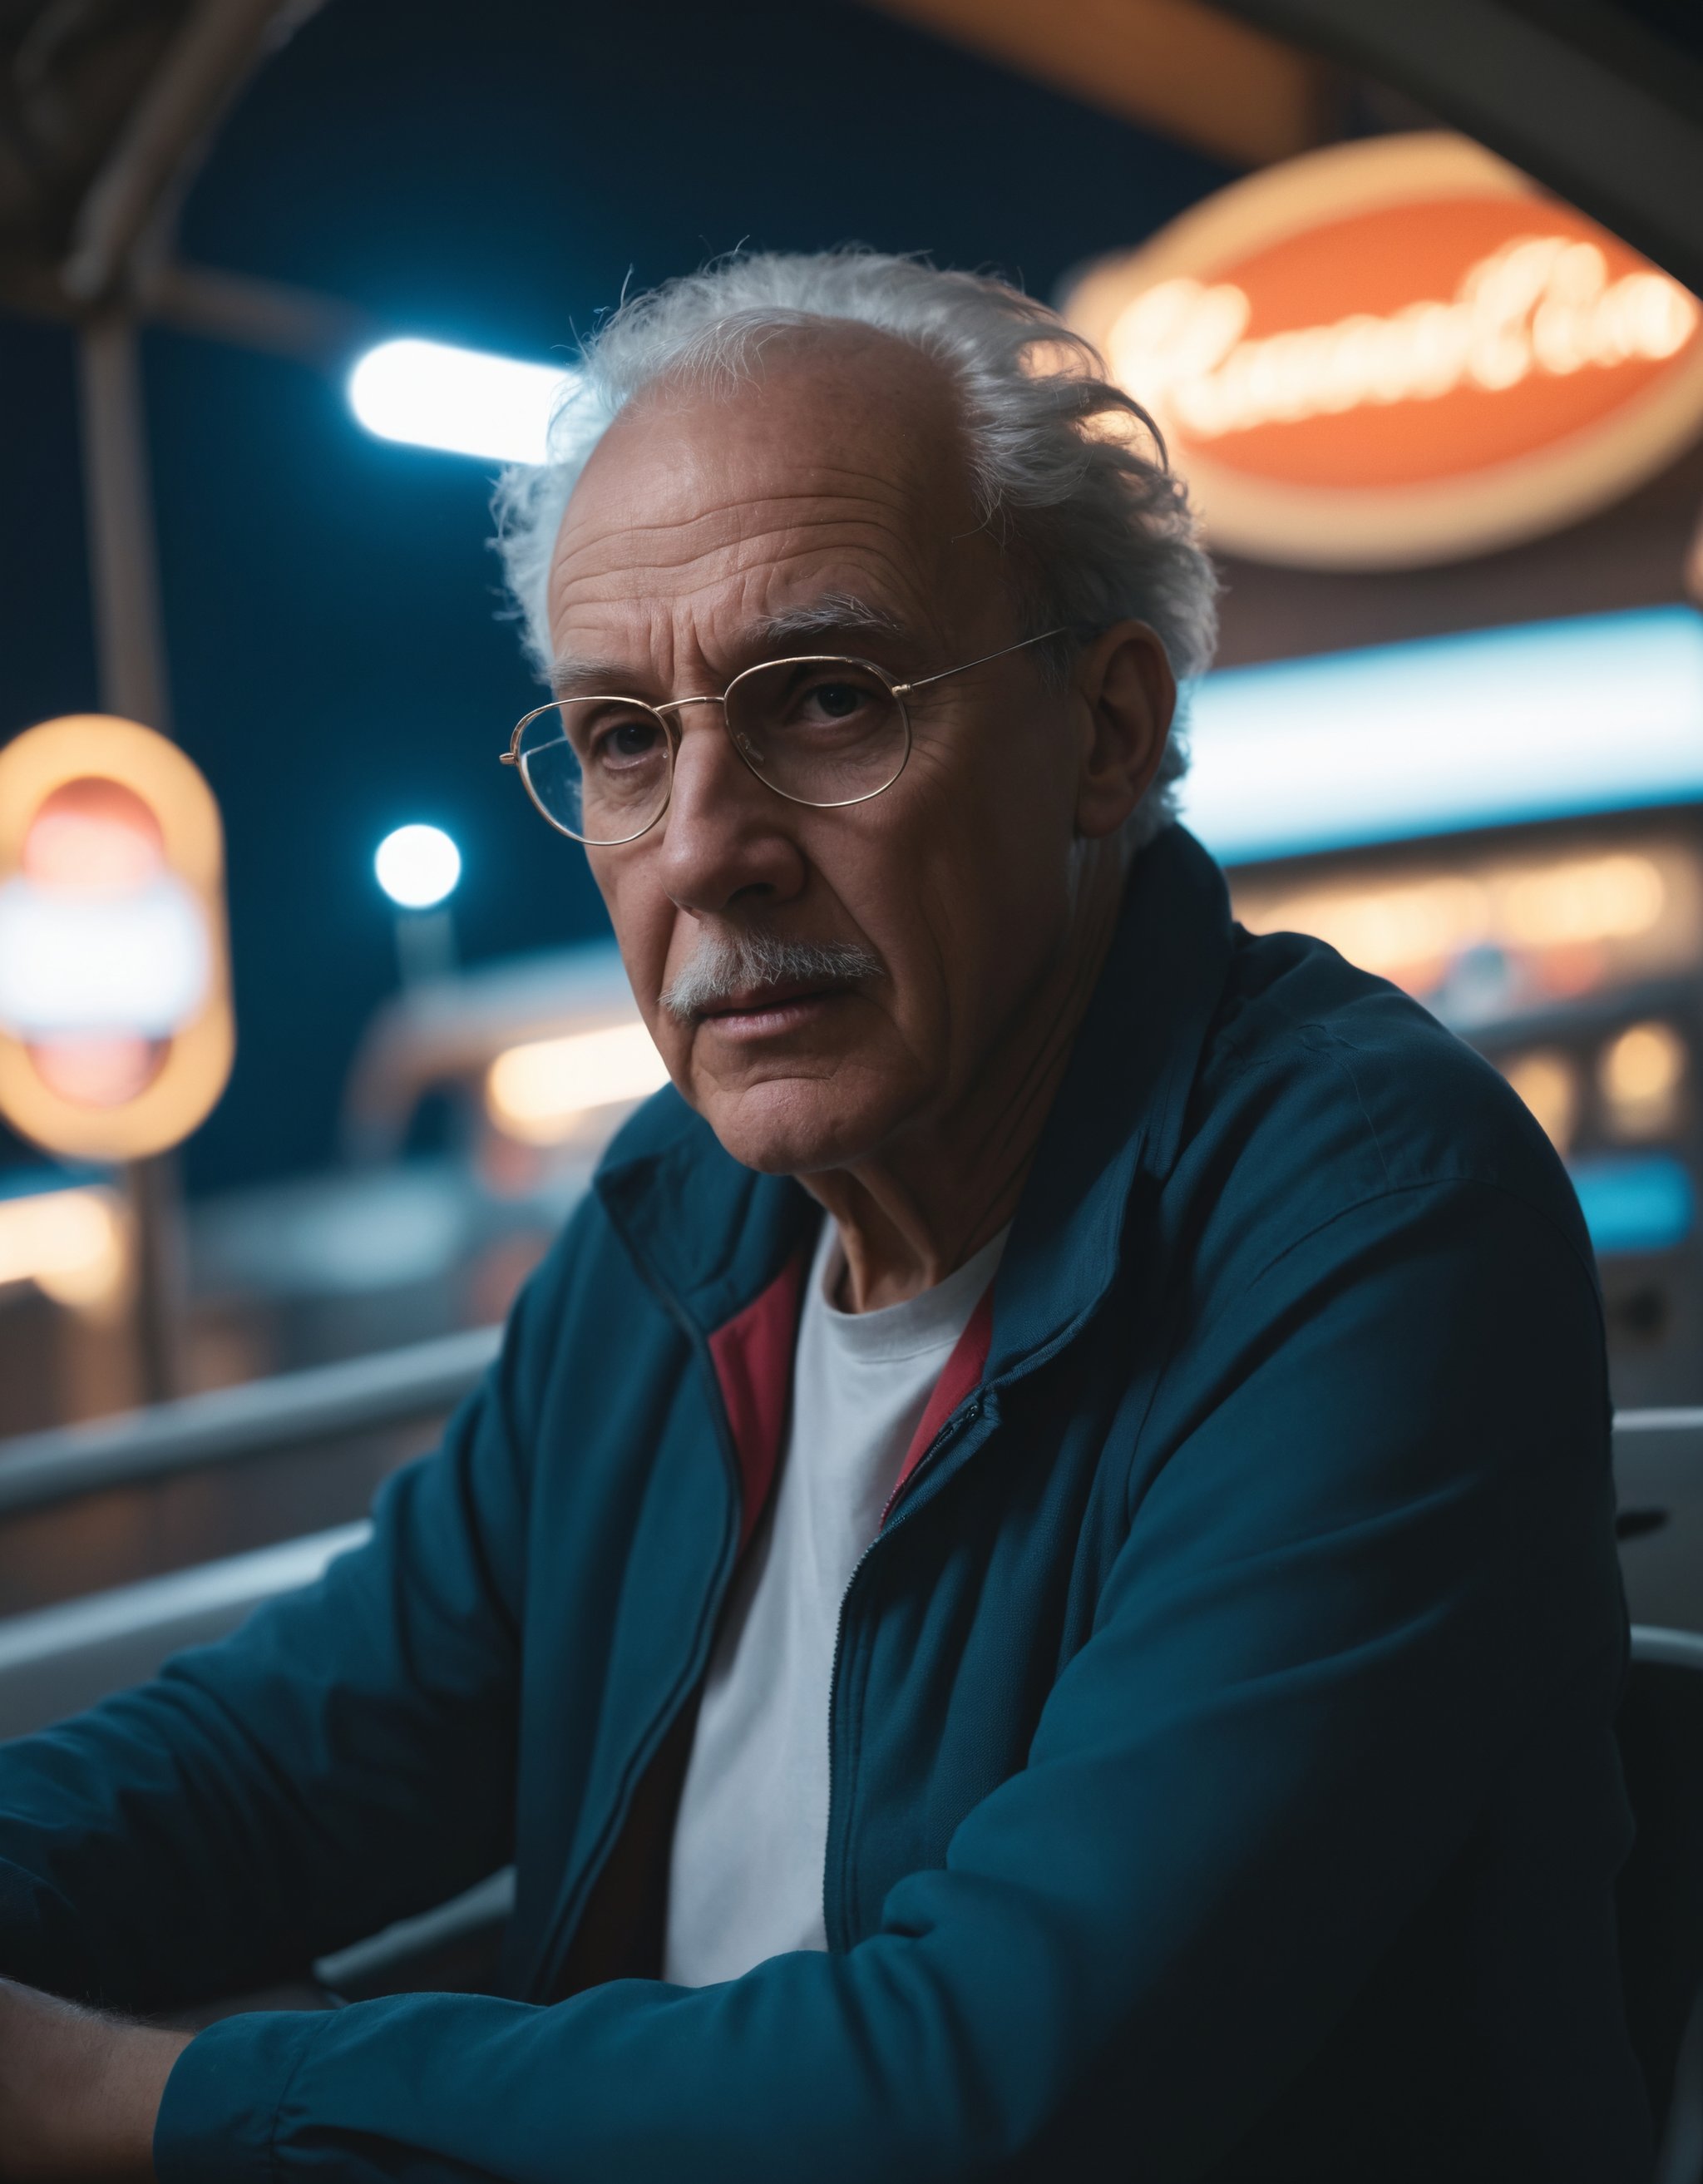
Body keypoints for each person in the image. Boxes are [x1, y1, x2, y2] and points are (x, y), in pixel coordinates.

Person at [0, 250, 1652, 2182]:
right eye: (624, 736)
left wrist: (122, 2099)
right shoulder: (675, 1218)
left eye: (826, 697)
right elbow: (296, 1749)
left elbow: (981, 2090)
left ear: (1107, 731)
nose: (704, 838)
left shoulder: (1367, 1219)